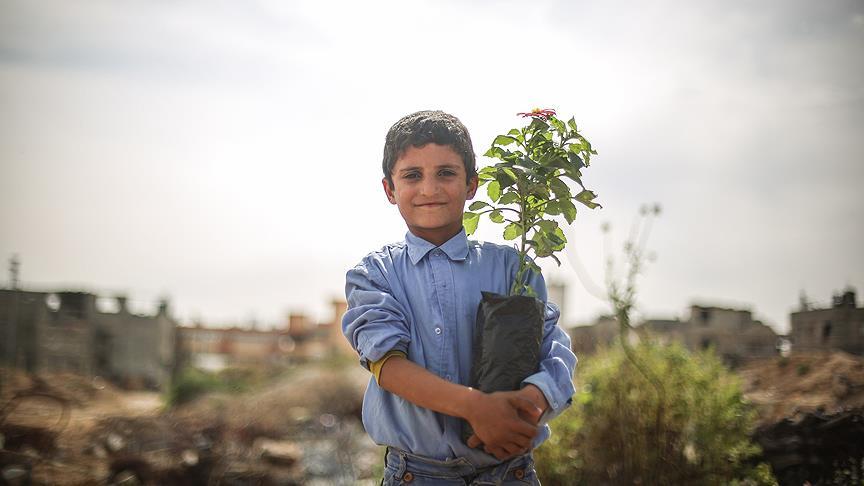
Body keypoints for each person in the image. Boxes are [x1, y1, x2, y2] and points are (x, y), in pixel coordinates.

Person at [342, 110, 577, 485]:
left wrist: (522, 409)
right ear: (389, 189)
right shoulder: (375, 274)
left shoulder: (513, 268)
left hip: (510, 471)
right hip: (415, 475)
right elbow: (387, 366)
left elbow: (555, 355)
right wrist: (477, 408)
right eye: (412, 175)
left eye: (446, 173)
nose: (430, 189)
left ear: (472, 185)